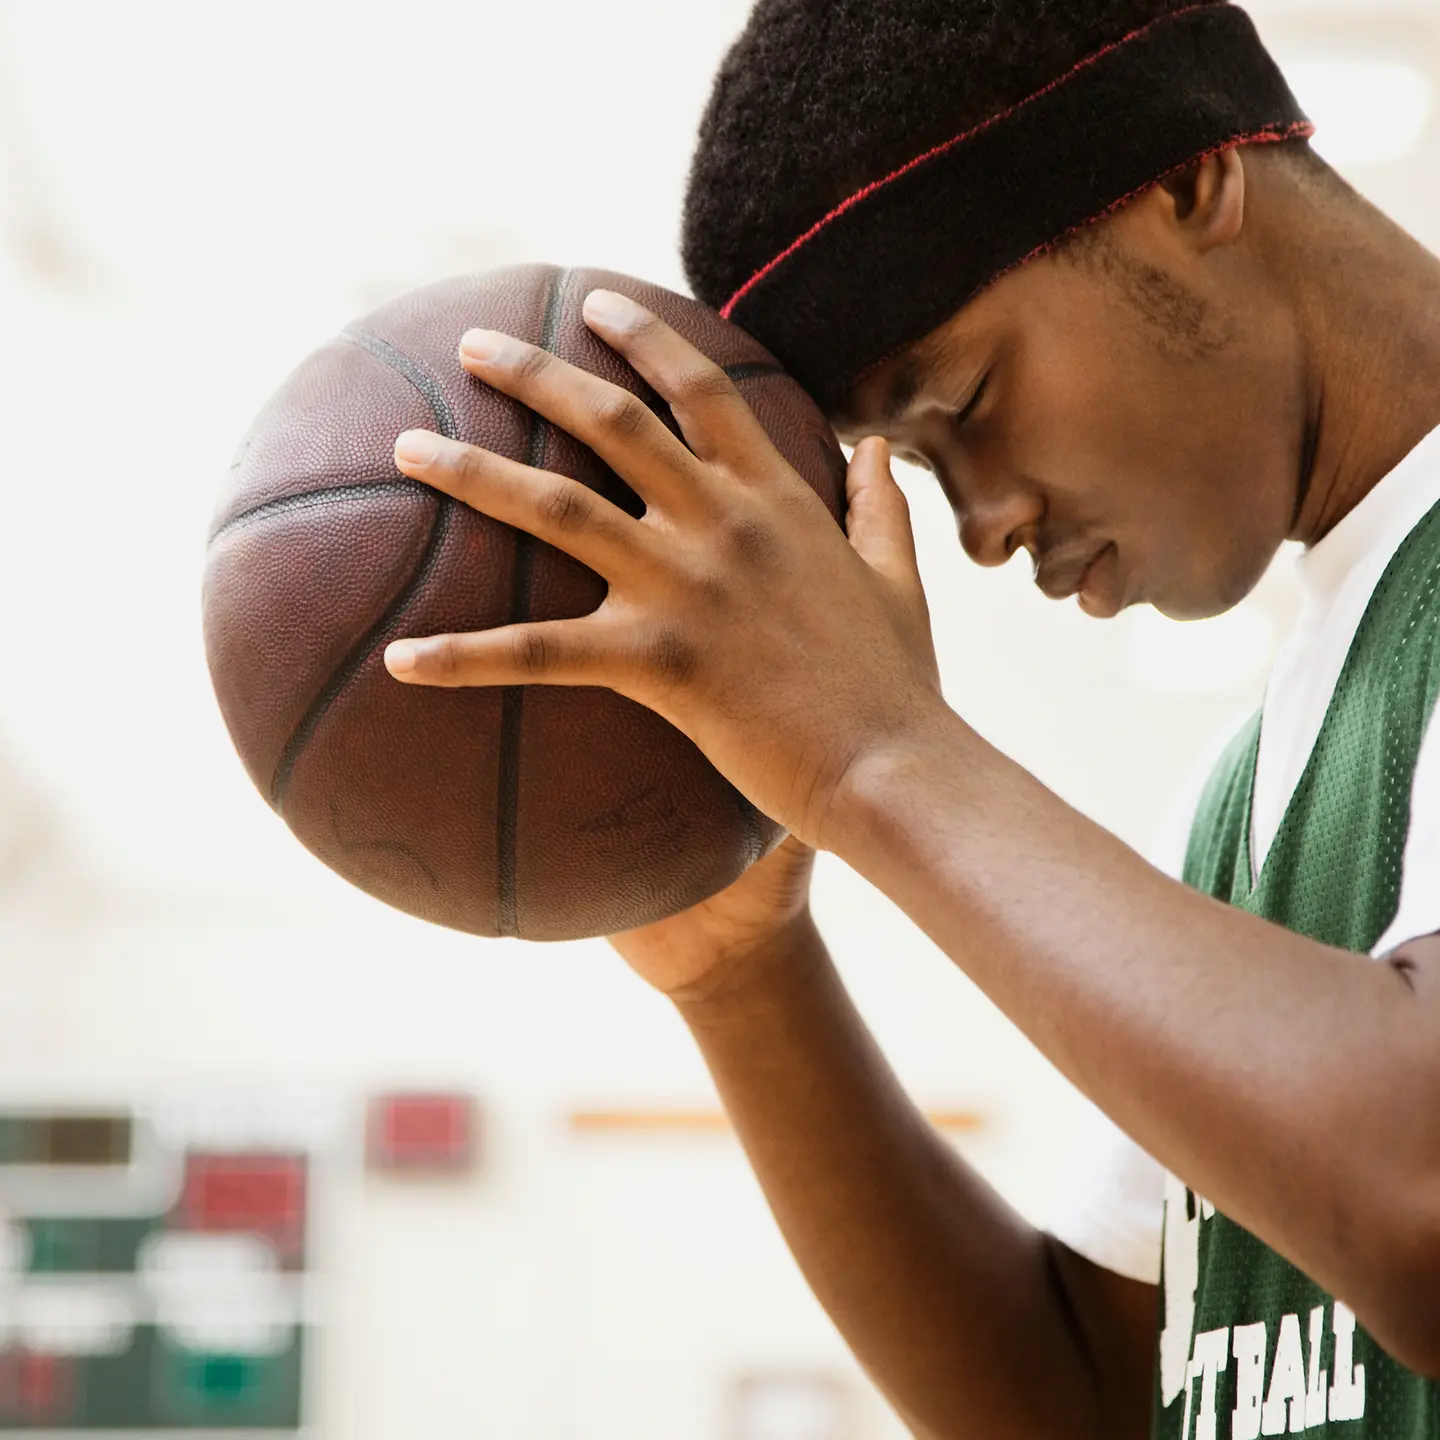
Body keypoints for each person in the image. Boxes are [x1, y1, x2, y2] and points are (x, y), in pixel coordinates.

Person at [380, 1, 1440, 1435]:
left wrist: (874, 753)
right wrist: (746, 983)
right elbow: (1081, 1398)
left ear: (1190, 182)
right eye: (923, 472)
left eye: (970, 403)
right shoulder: (1253, 786)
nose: (986, 529)